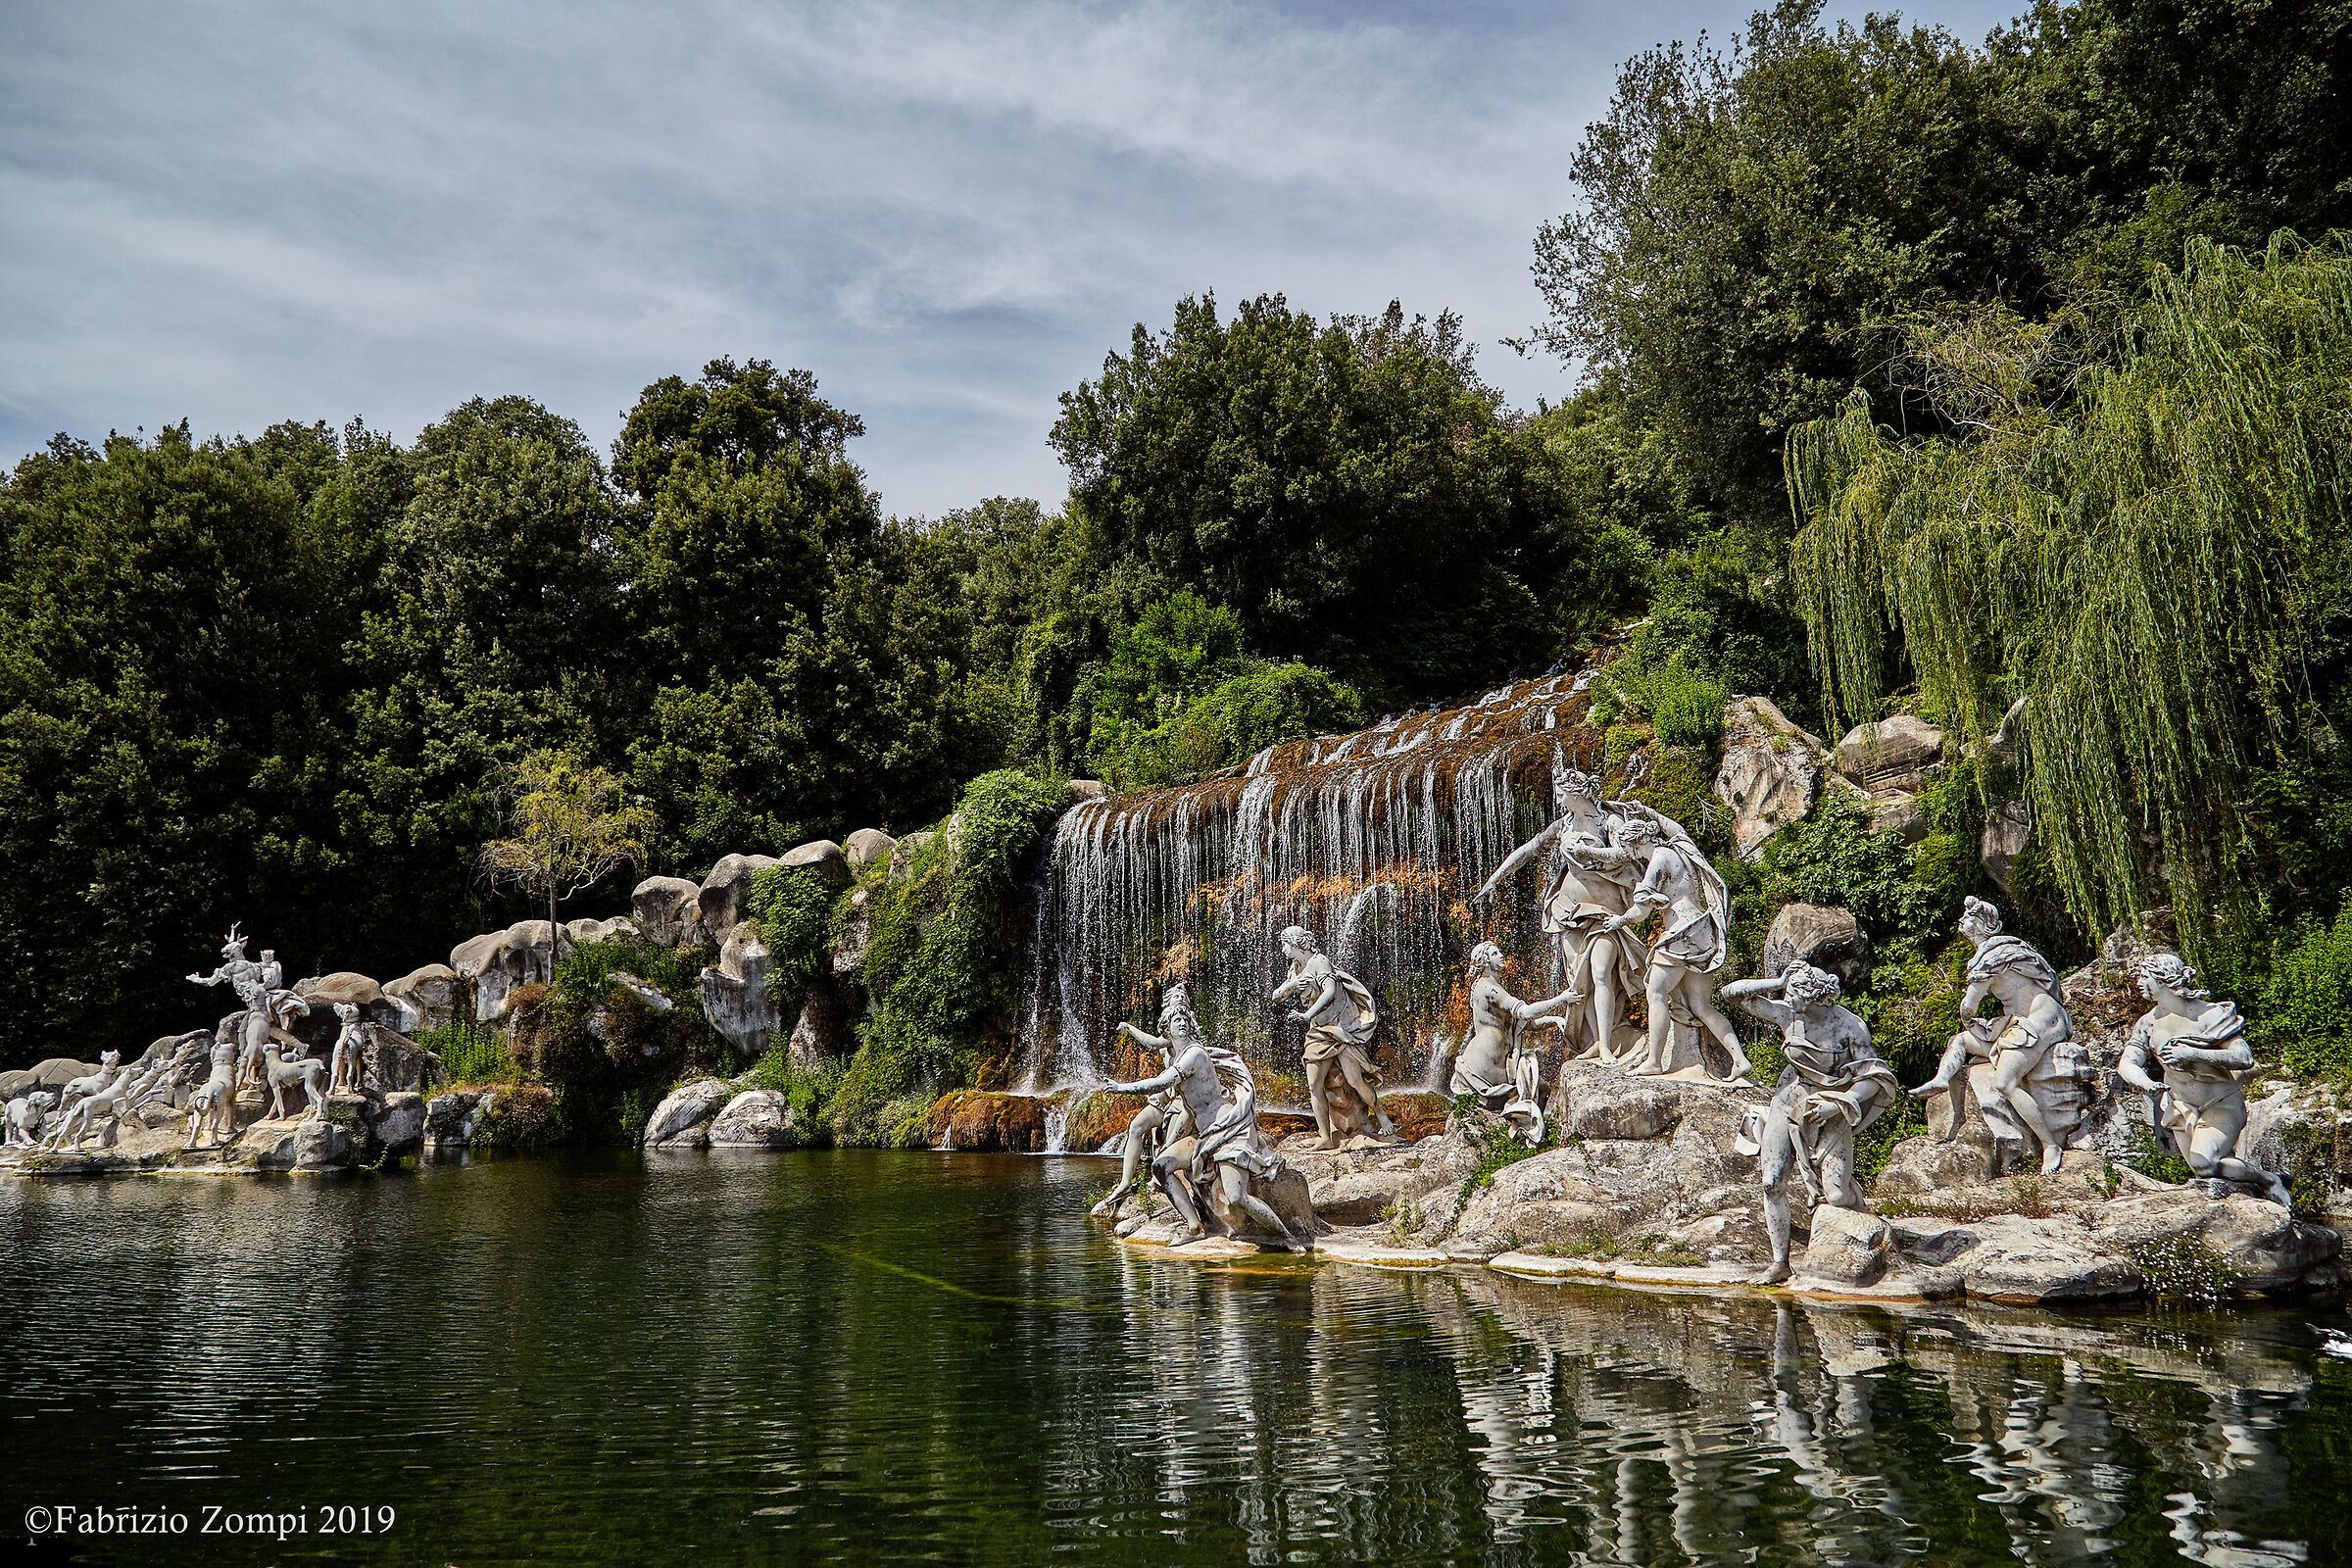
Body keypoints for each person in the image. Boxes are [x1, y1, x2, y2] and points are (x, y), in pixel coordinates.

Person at [1726, 962, 1899, 1283]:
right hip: (1791, 1099)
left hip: (1832, 1104)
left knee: (1835, 1196)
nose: (1787, 998)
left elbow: (1875, 1078)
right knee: (1771, 1182)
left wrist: (1838, 1105)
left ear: (1817, 999)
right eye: (1787, 993)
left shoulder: (1849, 1027)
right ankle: (1780, 1263)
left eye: (1794, 994)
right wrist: (1778, 980)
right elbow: (1732, 994)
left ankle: (1854, 1197)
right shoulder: (1788, 1014)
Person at [1472, 763, 1645, 1061]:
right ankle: (1593, 1039)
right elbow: (1528, 850)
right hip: (1567, 910)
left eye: (1561, 794)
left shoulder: (1609, 822)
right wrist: (1495, 878)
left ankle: (1606, 1044)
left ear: (1577, 794)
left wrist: (1588, 852)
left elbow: (1625, 854)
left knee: (1602, 972)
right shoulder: (1564, 826)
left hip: (1605, 911)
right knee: (1581, 980)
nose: (1558, 800)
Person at [1912, 897, 2074, 1174]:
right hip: (2015, 1021)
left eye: (1968, 916)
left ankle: (2050, 1144)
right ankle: (1940, 1079)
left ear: (1981, 924)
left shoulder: (1994, 955)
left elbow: (1969, 1004)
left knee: (2005, 1081)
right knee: (1960, 1041)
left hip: (2040, 1016)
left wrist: (1968, 1017)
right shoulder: (1998, 951)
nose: (1962, 920)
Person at [1105, 1014, 1297, 1246]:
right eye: (1176, 1020)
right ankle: (1194, 1227)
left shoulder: (1194, 1054)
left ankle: (1288, 1238)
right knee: (1161, 1166)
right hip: (1204, 1134)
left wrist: (1121, 1088)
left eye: (1185, 1018)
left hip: (1229, 1129)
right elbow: (1155, 1052)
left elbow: (1161, 1083)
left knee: (1237, 1197)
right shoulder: (1176, 1054)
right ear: (1166, 1030)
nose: (1183, 1022)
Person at [2116, 953, 2289, 1205]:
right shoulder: (2148, 1023)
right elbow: (2127, 1063)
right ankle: (2248, 1199)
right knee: (2206, 1172)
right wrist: (2146, 1083)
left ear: (2163, 980)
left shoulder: (2208, 1015)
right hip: (2181, 1107)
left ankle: (2269, 1179)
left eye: (2144, 977)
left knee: (2204, 1163)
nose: (2139, 983)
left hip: (2220, 1103)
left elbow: (2243, 1057)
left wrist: (2192, 1053)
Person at [1598, 808, 1753, 1081]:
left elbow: (1641, 911)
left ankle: (1655, 1061)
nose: (1629, 855)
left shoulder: (1657, 860)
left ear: (1635, 843)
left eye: (1628, 849)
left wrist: (1618, 921)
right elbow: (1677, 828)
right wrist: (1648, 811)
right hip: (1703, 930)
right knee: (1701, 1006)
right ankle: (1739, 1059)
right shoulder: (1681, 848)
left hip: (1681, 932)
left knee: (1655, 990)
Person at [1272, 926, 1396, 1147]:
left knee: (1355, 1079)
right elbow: (1276, 996)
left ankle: (1380, 1114)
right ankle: (1324, 1136)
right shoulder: (1295, 968)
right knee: (1314, 1085)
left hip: (1340, 1029)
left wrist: (1307, 1013)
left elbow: (1329, 992)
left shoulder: (1320, 962)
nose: (1282, 950)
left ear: (1296, 944)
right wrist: (1292, 985)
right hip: (1318, 1031)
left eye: (1285, 945)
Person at [1089, 985, 1198, 1218]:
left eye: (1183, 998)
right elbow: (1153, 1043)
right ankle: (1125, 1182)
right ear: (1167, 1004)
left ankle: (1158, 1181)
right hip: (1167, 1096)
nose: (1180, 1001)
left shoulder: (1189, 1037)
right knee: (1136, 1126)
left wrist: (1122, 1088)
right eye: (1175, 998)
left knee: (1169, 1142)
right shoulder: (1170, 1034)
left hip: (1183, 1100)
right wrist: (1129, 1028)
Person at [1449, 942, 1568, 1145]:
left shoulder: (1491, 987)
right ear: (1486, 961)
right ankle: (1524, 1138)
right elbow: (1524, 1012)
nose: (1502, 955)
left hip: (1497, 1061)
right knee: (1536, 1088)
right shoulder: (1489, 988)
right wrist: (1562, 998)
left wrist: (1554, 1020)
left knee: (1541, 1088)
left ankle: (1524, 1137)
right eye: (1495, 953)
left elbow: (1524, 1024)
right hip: (1482, 1065)